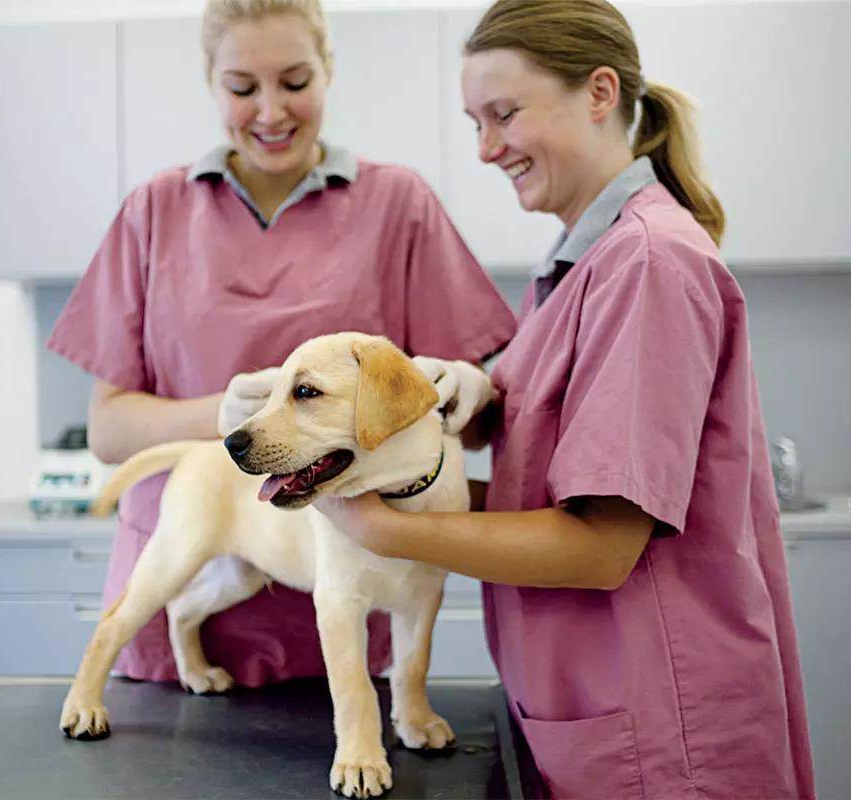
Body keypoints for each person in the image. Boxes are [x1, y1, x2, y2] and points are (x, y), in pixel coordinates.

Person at [314, 1, 816, 797]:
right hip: (590, 706)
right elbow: (534, 485)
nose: (485, 148)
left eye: (504, 115)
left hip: (659, 730)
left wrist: (381, 526)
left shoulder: (649, 261)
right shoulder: (576, 268)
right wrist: (439, 441)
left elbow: (599, 546)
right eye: (474, 122)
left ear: (600, 92)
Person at [47, 0, 516, 688]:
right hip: (186, 591)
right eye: (242, 88)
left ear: (329, 71)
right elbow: (109, 430)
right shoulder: (155, 210)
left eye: (295, 82)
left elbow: (464, 431)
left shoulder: (398, 205)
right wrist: (231, 420)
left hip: (347, 591)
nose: (270, 111)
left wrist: (466, 391)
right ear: (211, 83)